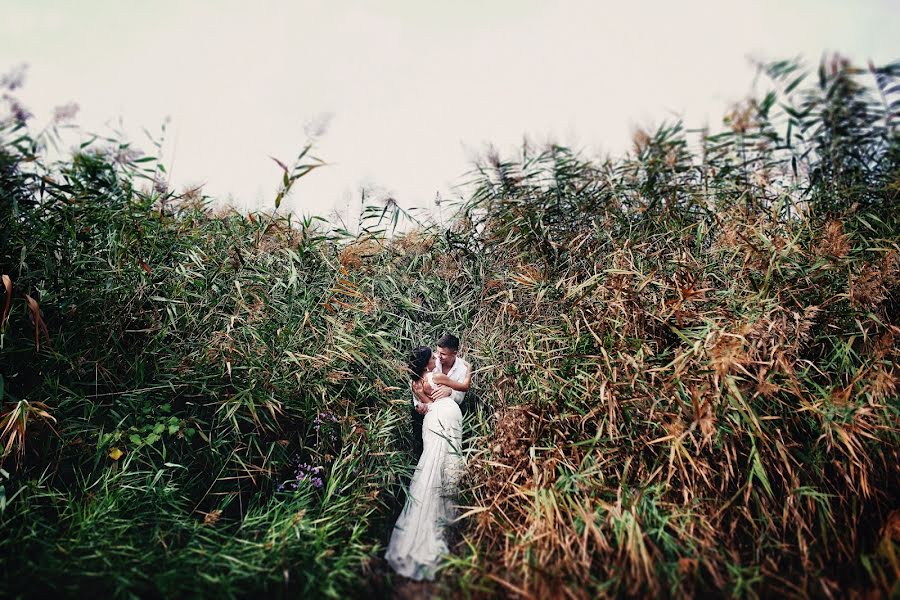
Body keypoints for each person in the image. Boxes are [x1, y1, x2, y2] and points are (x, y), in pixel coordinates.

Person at [386, 346, 465, 581]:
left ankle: (428, 519)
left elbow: (424, 406)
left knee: (430, 465)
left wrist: (433, 401)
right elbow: (463, 386)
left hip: (431, 421)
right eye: (432, 357)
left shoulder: (415, 384)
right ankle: (443, 520)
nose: (435, 360)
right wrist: (468, 370)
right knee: (443, 463)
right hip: (443, 419)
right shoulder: (434, 376)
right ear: (424, 363)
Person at [410, 334, 470, 458]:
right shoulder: (433, 366)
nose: (437, 357)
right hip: (431, 414)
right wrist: (419, 405)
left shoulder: (461, 369)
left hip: (449, 413)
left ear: (454, 353)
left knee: (446, 450)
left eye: (442, 354)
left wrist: (450, 392)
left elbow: (461, 395)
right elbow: (416, 397)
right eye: (436, 353)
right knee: (433, 449)